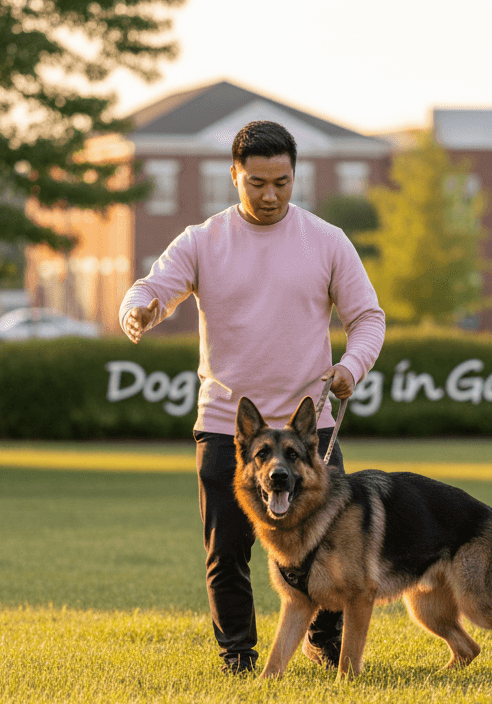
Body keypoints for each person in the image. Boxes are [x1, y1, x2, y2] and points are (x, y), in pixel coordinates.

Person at [119, 120, 386, 674]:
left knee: (333, 550)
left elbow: (367, 317)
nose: (270, 195)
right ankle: (237, 654)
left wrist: (350, 366)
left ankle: (323, 638)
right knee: (227, 551)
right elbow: (154, 287)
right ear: (234, 175)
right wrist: (138, 309)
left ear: (295, 176)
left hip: (308, 433)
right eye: (257, 182)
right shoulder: (202, 240)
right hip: (227, 427)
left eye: (282, 183)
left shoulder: (327, 240)